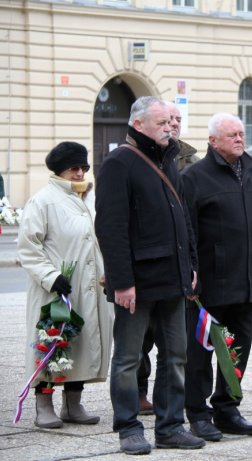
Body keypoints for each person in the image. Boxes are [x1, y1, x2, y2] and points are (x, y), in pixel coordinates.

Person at [95, 96, 204, 455]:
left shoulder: (169, 159)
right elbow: (111, 228)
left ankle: (171, 426)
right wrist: (121, 282)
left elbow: (182, 219)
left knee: (176, 356)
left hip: (173, 278)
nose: (170, 127)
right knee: (128, 358)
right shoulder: (119, 163)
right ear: (138, 125)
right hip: (137, 284)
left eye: (171, 123)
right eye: (162, 123)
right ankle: (128, 427)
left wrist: (190, 266)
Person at [181, 113, 252, 441]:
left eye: (241, 133)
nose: (239, 138)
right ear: (213, 141)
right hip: (209, 282)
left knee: (238, 347)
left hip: (246, 277)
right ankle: (197, 411)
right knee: (202, 349)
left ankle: (227, 407)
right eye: (231, 134)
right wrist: (189, 276)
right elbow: (187, 231)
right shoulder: (195, 176)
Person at [17, 142, 113, 429]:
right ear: (61, 169)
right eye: (74, 168)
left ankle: (73, 403)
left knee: (81, 344)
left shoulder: (88, 198)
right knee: (51, 342)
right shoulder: (43, 200)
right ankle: (43, 405)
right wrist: (51, 276)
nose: (80, 172)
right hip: (56, 290)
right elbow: (28, 247)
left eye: (84, 167)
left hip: (90, 287)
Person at [135, 101, 200, 416]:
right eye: (167, 119)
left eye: (177, 119)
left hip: (179, 263)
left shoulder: (189, 160)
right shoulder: (138, 156)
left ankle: (170, 403)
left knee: (174, 343)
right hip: (149, 264)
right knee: (141, 340)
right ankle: (138, 392)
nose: (173, 124)